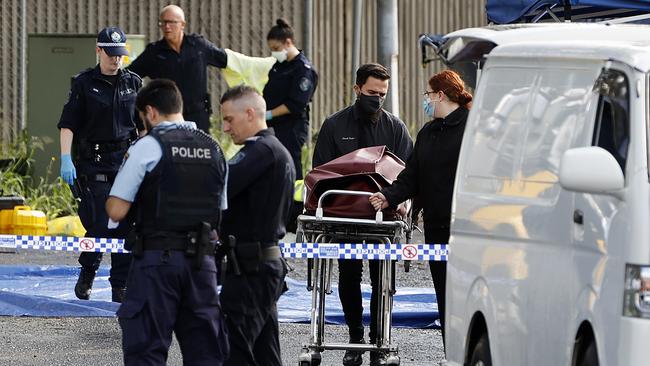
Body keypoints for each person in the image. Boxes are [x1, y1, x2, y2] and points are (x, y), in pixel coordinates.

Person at [106, 79, 229, 365]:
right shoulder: (214, 148)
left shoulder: (147, 147)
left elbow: (116, 210)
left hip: (156, 262)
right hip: (202, 264)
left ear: (150, 112)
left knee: (146, 350)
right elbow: (220, 210)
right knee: (206, 352)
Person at [312, 63, 413, 366]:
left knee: (382, 276)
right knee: (349, 274)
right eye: (371, 93)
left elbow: (409, 172)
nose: (377, 99)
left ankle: (378, 340)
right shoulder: (334, 125)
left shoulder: (395, 128)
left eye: (382, 94)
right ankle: (356, 338)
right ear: (357, 89)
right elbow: (320, 171)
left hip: (383, 219)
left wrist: (404, 200)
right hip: (345, 216)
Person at [369, 69, 473, 350]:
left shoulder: (473, 127)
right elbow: (412, 175)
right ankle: (451, 351)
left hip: (468, 226)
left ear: (440, 95)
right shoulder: (428, 132)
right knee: (443, 295)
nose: (425, 100)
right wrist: (388, 196)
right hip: (437, 227)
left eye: (428, 94)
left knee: (469, 296)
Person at [57, 26, 142, 303]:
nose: (116, 60)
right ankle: (88, 270)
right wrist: (66, 158)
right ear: (99, 51)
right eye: (111, 54)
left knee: (127, 225)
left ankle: (121, 285)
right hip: (94, 163)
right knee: (98, 223)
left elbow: (142, 128)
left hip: (126, 162)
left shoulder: (133, 83)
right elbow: (68, 124)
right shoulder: (84, 83)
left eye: (120, 55)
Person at [219, 85, 294, 366]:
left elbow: (219, 188)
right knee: (265, 355)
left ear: (250, 114)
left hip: (251, 268)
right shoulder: (273, 151)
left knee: (232, 350)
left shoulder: (259, 151)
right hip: (260, 265)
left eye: (229, 119)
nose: (226, 128)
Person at [127, 4, 227, 133]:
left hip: (198, 118)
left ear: (182, 24)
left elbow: (228, 61)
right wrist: (139, 113)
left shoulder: (199, 46)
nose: (166, 27)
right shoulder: (154, 53)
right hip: (166, 118)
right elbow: (128, 77)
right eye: (163, 23)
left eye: (171, 22)